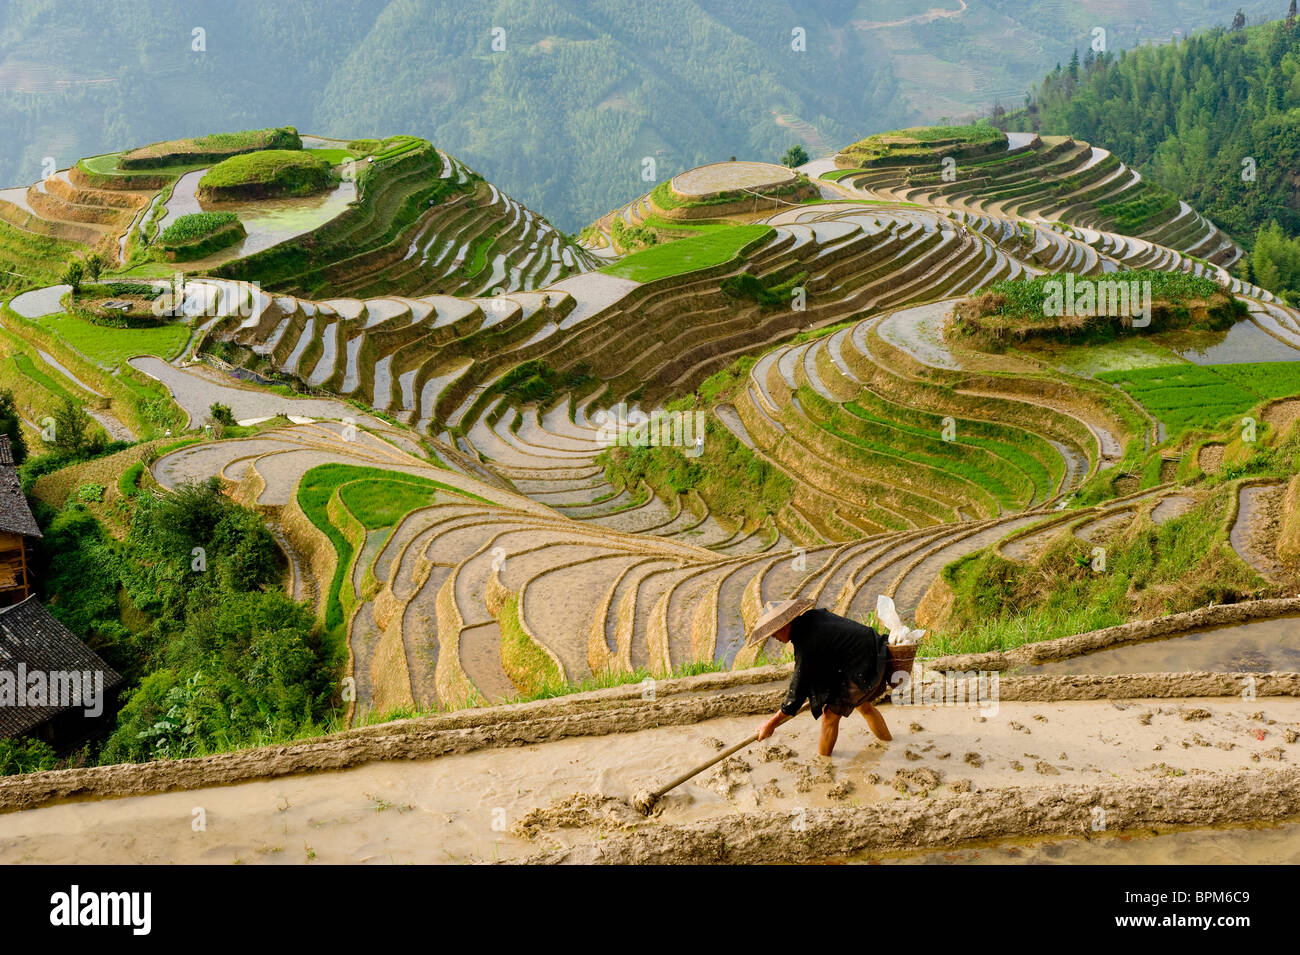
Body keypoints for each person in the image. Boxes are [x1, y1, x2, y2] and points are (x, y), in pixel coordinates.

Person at [749, 598, 893, 756]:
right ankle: (889, 744)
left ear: (785, 625)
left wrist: (771, 724)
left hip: (865, 663)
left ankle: (823, 763)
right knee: (864, 705)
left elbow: (796, 692)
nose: (773, 637)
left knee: (829, 716)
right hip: (874, 651)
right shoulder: (813, 617)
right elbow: (830, 654)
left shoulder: (806, 643)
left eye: (774, 631)